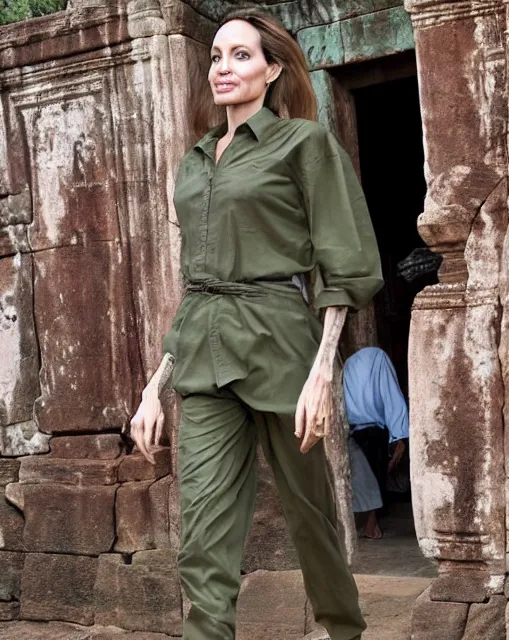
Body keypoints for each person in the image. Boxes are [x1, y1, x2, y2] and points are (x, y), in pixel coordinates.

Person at [128, 9, 383, 640]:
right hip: (205, 352)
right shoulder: (193, 162)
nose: (223, 67)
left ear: (272, 70)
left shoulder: (303, 143)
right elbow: (196, 278)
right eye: (216, 56)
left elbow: (342, 262)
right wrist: (154, 384)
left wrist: (325, 370)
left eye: (241, 56)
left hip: (282, 347)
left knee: (310, 518)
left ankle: (343, 630)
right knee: (202, 534)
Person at [343, 347, 409, 539]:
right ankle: (371, 525)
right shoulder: (378, 358)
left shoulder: (348, 364)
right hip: (374, 428)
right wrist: (399, 436)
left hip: (351, 428)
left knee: (360, 476)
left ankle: (363, 524)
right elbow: (390, 394)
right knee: (375, 475)